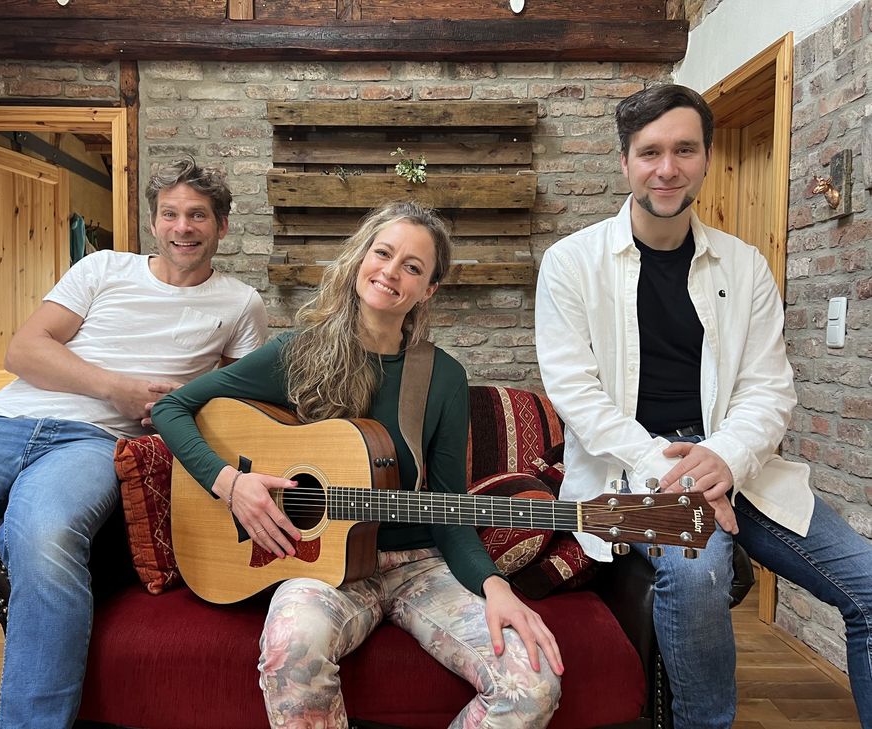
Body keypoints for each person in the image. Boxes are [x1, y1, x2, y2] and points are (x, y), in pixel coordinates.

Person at [535, 83, 872, 729]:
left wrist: (724, 456)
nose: (668, 168)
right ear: (625, 161)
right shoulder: (570, 264)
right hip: (630, 469)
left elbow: (769, 386)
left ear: (707, 156)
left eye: (684, 149)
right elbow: (576, 393)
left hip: (739, 466)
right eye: (650, 152)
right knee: (698, 577)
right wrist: (678, 469)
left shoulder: (744, 266)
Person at [152, 200, 563, 728]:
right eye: (383, 253)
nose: (391, 272)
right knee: (290, 646)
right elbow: (171, 407)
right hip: (322, 568)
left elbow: (448, 507)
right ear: (360, 257)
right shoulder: (298, 352)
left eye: (413, 267)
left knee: (532, 681)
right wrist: (230, 483)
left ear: (428, 289)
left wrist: (494, 586)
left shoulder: (442, 377)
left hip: (418, 565)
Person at [0, 157, 268, 728]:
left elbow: (241, 405)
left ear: (222, 225)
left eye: (198, 215)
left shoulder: (240, 304)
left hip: (96, 444)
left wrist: (178, 400)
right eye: (169, 214)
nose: (182, 227)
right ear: (153, 222)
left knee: (42, 543)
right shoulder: (102, 269)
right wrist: (116, 388)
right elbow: (23, 353)